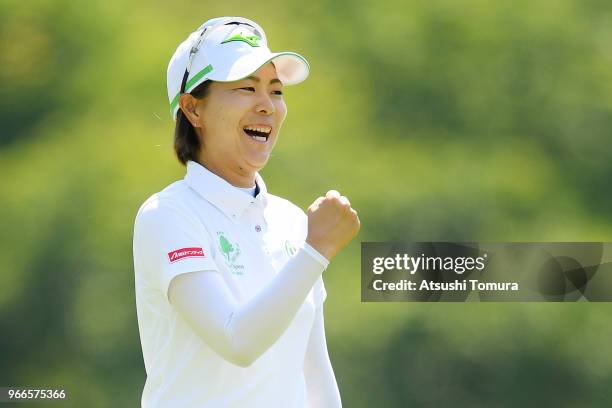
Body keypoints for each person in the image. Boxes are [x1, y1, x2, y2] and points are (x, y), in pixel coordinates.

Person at [133, 16, 360, 408]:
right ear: (192, 108)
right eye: (245, 88)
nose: (267, 106)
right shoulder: (167, 216)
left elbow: (316, 379)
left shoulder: (292, 223)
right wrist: (315, 251)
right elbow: (236, 340)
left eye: (275, 90)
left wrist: (311, 249)